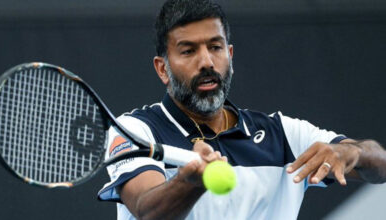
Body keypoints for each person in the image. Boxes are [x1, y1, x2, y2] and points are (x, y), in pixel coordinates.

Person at [98, 0, 386, 219]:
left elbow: (381, 166)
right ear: (163, 69)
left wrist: (351, 152)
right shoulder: (135, 131)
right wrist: (190, 182)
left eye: (215, 47)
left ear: (230, 56)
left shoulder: (284, 135)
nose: (207, 62)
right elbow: (146, 210)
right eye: (188, 51)